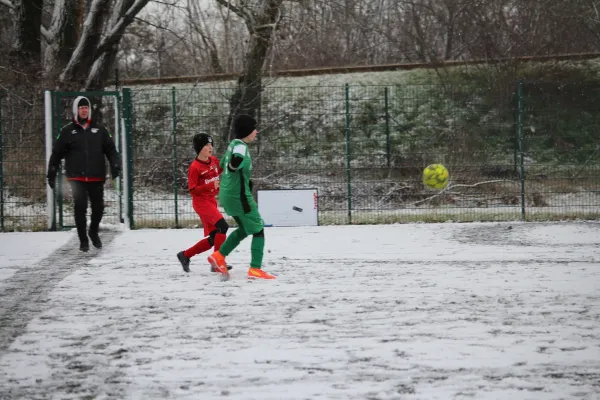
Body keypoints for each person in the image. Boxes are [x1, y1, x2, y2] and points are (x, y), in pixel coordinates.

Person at [47, 96, 121, 252]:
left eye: (86, 108)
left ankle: (93, 231)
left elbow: (111, 150)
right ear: (76, 110)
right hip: (76, 176)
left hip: (96, 175)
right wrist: (51, 172)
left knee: (98, 207)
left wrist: (115, 165)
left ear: (89, 110)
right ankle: (83, 240)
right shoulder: (67, 131)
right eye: (81, 108)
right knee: (80, 207)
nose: (84, 110)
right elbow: (57, 153)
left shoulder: (100, 130)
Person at [207, 115, 276, 280]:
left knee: (245, 229)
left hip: (227, 195)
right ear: (247, 131)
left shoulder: (233, 144)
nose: (256, 132)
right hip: (239, 197)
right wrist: (234, 164)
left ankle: (219, 256)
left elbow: (222, 165)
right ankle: (255, 269)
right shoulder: (241, 148)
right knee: (258, 228)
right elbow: (232, 162)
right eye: (254, 129)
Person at [176, 133, 231, 273]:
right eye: (207, 145)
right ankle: (218, 262)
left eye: (211, 144)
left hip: (211, 202)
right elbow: (193, 191)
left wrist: (232, 160)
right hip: (201, 203)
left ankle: (185, 255)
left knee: (214, 238)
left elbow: (223, 167)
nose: (210, 147)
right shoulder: (195, 167)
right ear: (199, 148)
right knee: (222, 227)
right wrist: (209, 185)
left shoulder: (212, 160)